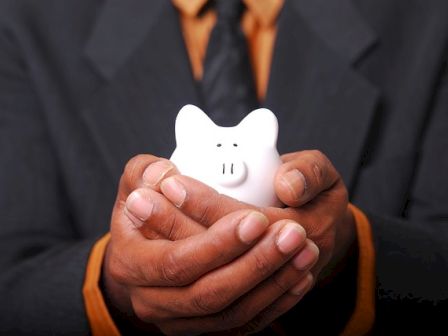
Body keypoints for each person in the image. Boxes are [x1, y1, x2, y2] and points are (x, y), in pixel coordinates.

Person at [0, 0, 447, 335]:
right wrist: (114, 282)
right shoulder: (27, 21)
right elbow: (12, 289)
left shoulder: (428, 20)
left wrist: (353, 249)